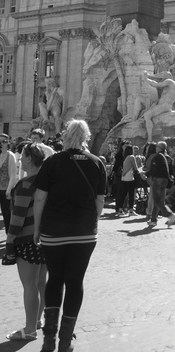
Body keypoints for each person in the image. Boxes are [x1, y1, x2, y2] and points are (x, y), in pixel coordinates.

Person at [33, 119, 106, 352]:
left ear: (65, 136)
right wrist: (88, 220)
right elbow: (100, 203)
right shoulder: (96, 163)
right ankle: (65, 342)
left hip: (54, 231)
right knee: (75, 282)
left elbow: (40, 198)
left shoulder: (53, 161)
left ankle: (48, 341)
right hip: (84, 233)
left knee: (55, 279)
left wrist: (37, 228)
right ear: (86, 137)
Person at [4, 142, 47, 342]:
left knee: (29, 285)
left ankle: (30, 329)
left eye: (22, 155)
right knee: (40, 282)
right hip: (45, 238)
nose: (20, 159)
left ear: (30, 158)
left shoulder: (25, 184)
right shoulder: (48, 182)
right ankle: (37, 321)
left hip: (27, 239)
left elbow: (17, 217)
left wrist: (10, 241)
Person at [147, 141, 175, 228]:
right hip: (165, 181)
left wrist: (145, 173)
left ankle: (170, 214)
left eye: (157, 147)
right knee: (159, 201)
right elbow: (171, 171)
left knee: (156, 201)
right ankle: (153, 220)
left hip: (157, 180)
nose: (155, 148)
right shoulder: (167, 158)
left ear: (159, 148)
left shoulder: (157, 157)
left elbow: (153, 170)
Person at [115, 144, 138, 217]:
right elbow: (135, 168)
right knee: (131, 194)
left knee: (123, 194)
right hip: (130, 177)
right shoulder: (132, 157)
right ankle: (131, 210)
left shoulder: (125, 157)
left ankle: (120, 210)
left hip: (123, 177)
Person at [0, 133, 16, 233]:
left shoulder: (11, 156)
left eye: (4, 141)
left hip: (5, 189)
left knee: (6, 213)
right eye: (0, 141)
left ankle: (9, 235)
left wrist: (9, 190)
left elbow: (13, 175)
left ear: (8, 143)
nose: (1, 143)